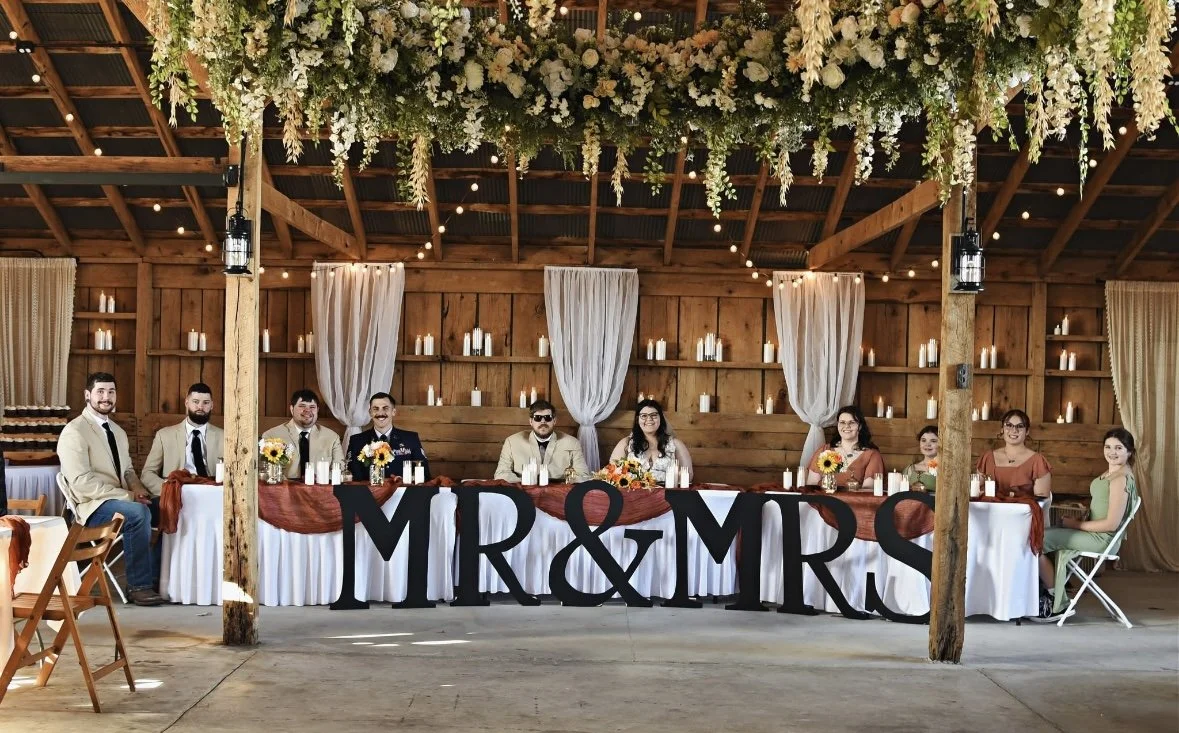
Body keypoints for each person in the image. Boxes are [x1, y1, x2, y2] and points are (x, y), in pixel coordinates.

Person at [56, 372, 163, 606]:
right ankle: (139, 586)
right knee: (138, 514)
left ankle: (158, 578)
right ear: (87, 395)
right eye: (100, 392)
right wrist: (128, 496)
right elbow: (81, 482)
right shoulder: (74, 432)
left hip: (121, 499)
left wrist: (139, 491)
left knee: (166, 508)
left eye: (111, 392)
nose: (106, 397)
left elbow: (127, 472)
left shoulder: (118, 432)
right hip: (91, 507)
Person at [1035, 428, 1139, 621]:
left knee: (1037, 540)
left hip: (1102, 539)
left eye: (1118, 448)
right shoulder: (1112, 473)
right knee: (1044, 534)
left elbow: (1111, 524)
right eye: (1108, 447)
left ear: (1129, 451)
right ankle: (1049, 594)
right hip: (1091, 533)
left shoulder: (1121, 479)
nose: (1112, 452)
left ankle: (1055, 601)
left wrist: (1075, 525)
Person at [142, 383, 224, 495]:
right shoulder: (164, 435)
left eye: (206, 403)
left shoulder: (224, 437)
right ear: (186, 403)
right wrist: (168, 490)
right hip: (176, 492)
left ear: (212, 405)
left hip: (213, 492)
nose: (200, 407)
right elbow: (147, 474)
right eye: (195, 402)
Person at [494, 400, 588, 483]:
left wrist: (563, 484)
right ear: (531, 421)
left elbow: (583, 475)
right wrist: (526, 482)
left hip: (559, 495)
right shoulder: (512, 442)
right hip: (523, 493)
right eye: (538, 418)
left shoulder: (572, 443)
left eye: (548, 418)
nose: (543, 421)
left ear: (554, 421)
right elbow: (501, 474)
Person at [262, 389, 344, 479]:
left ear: (317, 410)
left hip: (319, 489)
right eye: (302, 406)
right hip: (285, 490)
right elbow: (264, 471)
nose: (307, 410)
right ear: (292, 409)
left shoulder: (332, 437)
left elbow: (340, 470)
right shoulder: (271, 436)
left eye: (312, 407)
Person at [347, 392, 429, 481]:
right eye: (376, 409)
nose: (380, 413)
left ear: (393, 412)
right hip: (368, 493)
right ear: (370, 413)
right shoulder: (356, 441)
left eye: (385, 408)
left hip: (402, 492)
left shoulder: (410, 439)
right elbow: (352, 476)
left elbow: (424, 473)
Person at [608, 399, 693, 484]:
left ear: (661, 418)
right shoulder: (626, 443)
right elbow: (612, 473)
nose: (649, 419)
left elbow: (688, 475)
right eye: (644, 416)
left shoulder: (676, 444)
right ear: (638, 419)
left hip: (668, 494)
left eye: (654, 415)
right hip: (634, 494)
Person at [975, 408, 1052, 498]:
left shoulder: (1038, 461)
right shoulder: (988, 458)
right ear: (1002, 429)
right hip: (990, 510)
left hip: (1022, 511)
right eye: (1009, 425)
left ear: (1027, 431)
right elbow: (975, 491)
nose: (1014, 430)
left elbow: (1041, 500)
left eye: (1020, 426)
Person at [805, 405, 885, 489]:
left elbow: (868, 492)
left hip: (853, 502)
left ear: (860, 426)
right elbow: (811, 487)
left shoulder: (872, 455)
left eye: (852, 422)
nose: (846, 426)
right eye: (842, 422)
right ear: (838, 425)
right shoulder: (824, 450)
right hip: (822, 501)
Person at [902, 425, 939, 492]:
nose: (927, 444)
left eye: (933, 441)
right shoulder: (910, 469)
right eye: (923, 440)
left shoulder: (945, 470)